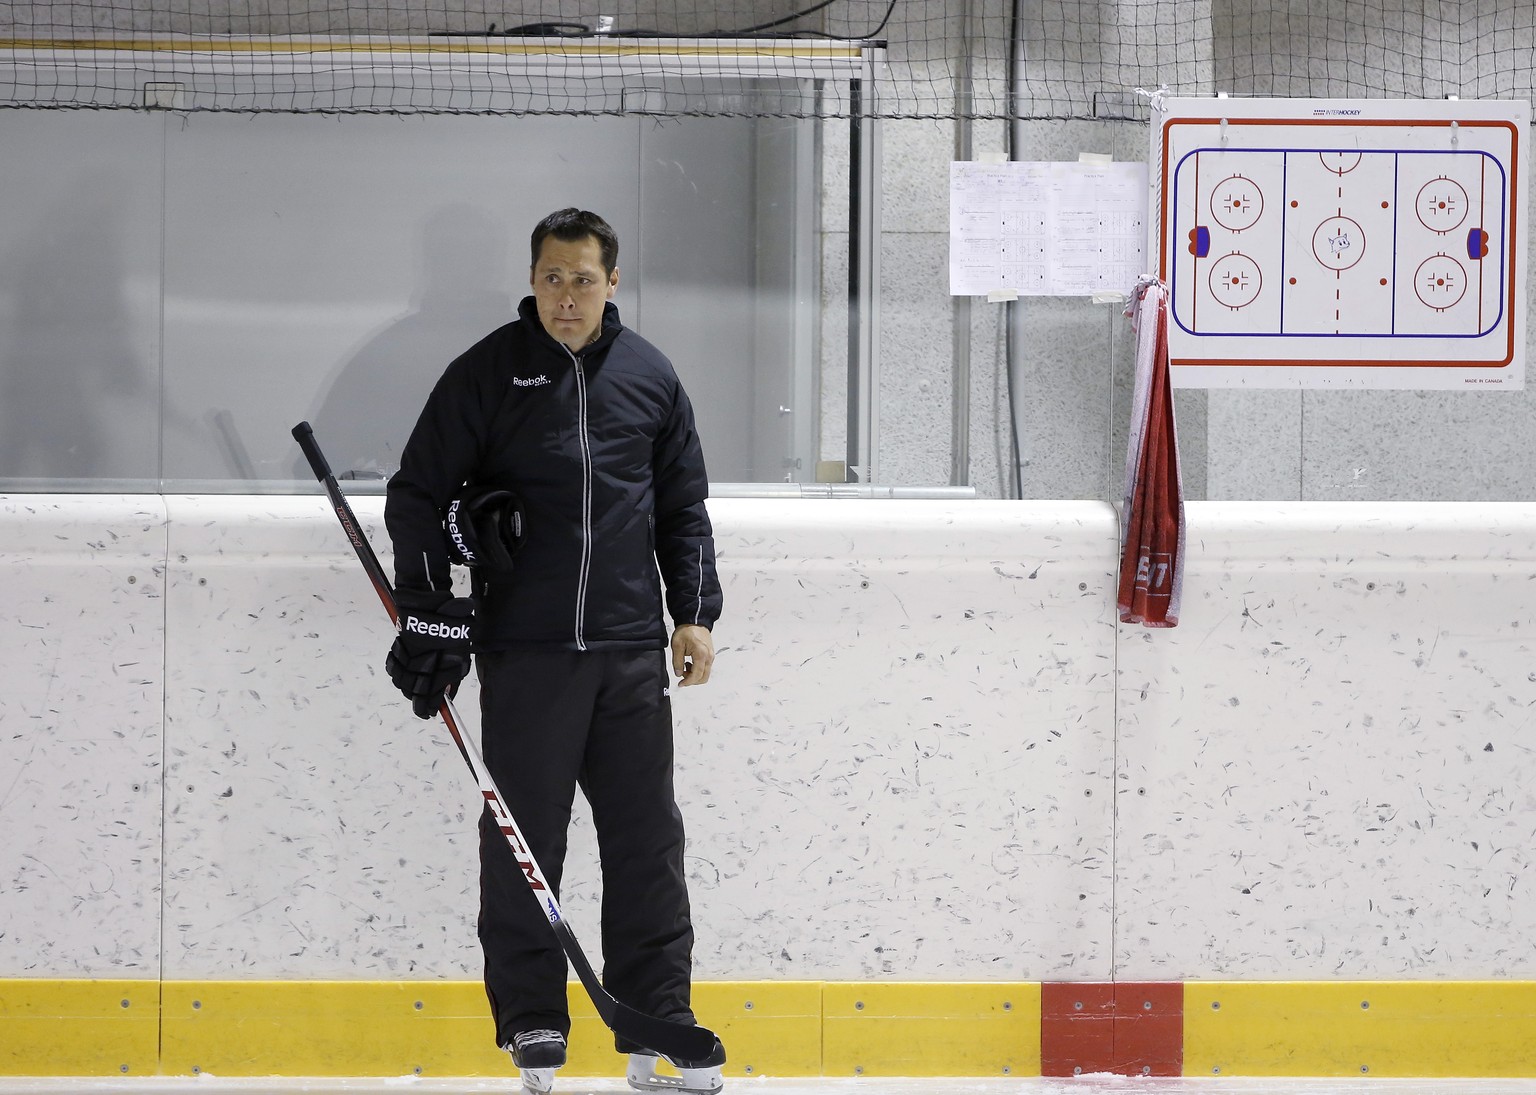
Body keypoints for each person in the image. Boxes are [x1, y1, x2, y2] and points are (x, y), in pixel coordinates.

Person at [381, 208, 725, 1095]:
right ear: (530, 280)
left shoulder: (650, 376)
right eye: (550, 278)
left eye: (582, 279)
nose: (565, 297)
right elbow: (420, 493)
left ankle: (660, 1019)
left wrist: (692, 614)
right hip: (526, 651)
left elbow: (682, 506)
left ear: (613, 282)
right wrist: (433, 609)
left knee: (647, 840)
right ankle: (533, 1017)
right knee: (523, 838)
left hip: (626, 649)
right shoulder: (488, 373)